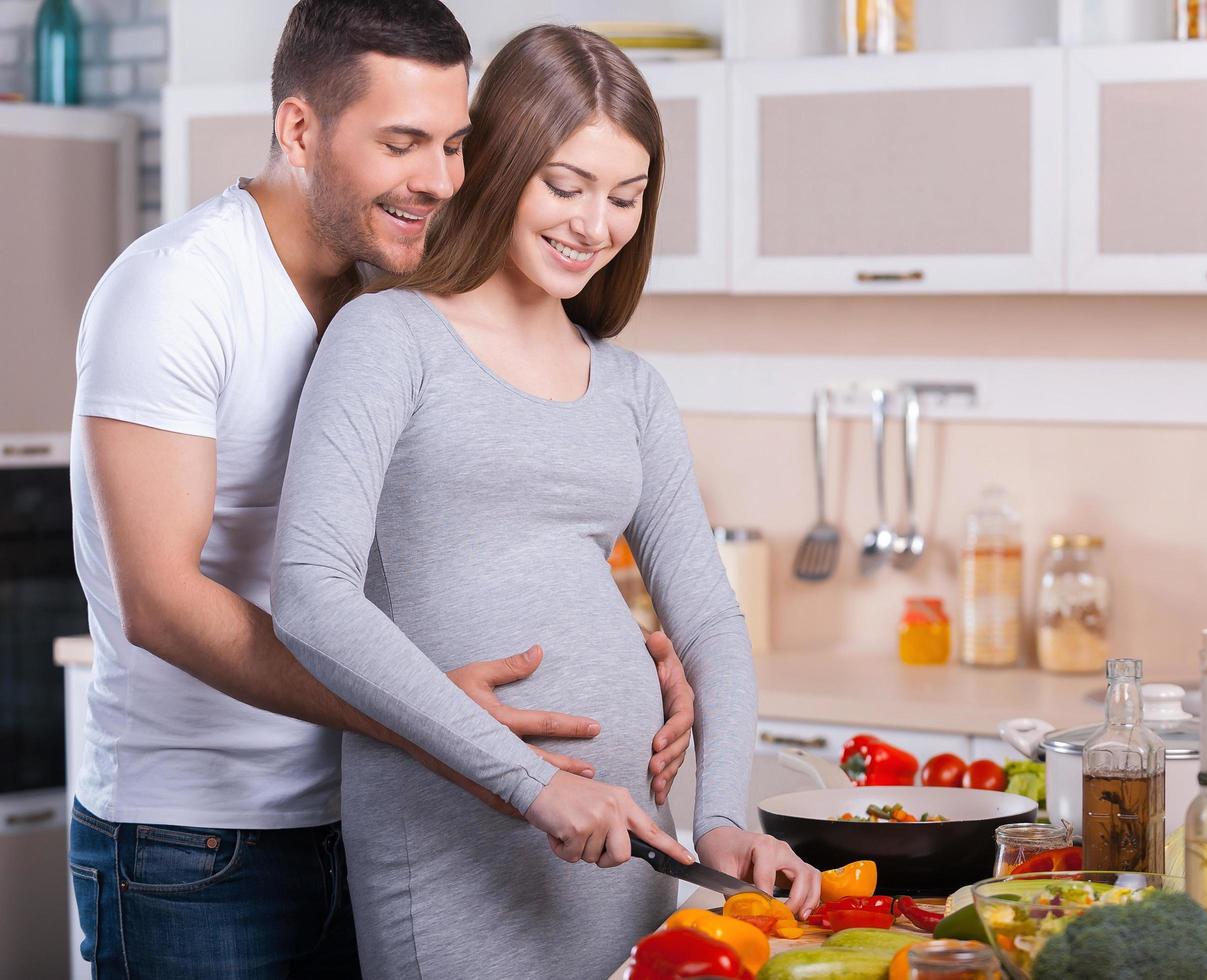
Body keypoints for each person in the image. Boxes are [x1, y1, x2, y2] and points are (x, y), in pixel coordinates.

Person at [66, 3, 695, 976]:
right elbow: (160, 600)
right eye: (402, 143)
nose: (440, 180)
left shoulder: (393, 292)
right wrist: (443, 723)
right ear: (299, 129)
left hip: (372, 815)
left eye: (453, 143)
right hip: (198, 843)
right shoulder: (176, 291)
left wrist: (636, 653)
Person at [270, 23, 822, 978]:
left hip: (626, 843)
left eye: (626, 196)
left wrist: (723, 816)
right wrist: (532, 786)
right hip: (452, 832)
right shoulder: (388, 338)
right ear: (495, 166)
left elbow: (710, 621)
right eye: (565, 186)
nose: (595, 225)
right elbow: (311, 593)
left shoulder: (631, 386)